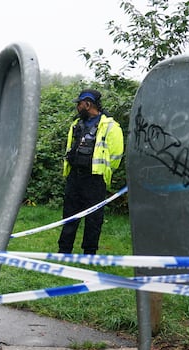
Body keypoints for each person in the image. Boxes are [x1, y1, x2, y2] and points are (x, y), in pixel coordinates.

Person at [57, 89, 124, 255]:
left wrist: (103, 170)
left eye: (79, 104)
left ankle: (89, 253)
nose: (77, 107)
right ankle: (64, 250)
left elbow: (116, 155)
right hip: (75, 176)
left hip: (95, 179)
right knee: (69, 215)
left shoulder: (110, 126)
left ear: (88, 104)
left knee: (94, 218)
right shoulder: (76, 124)